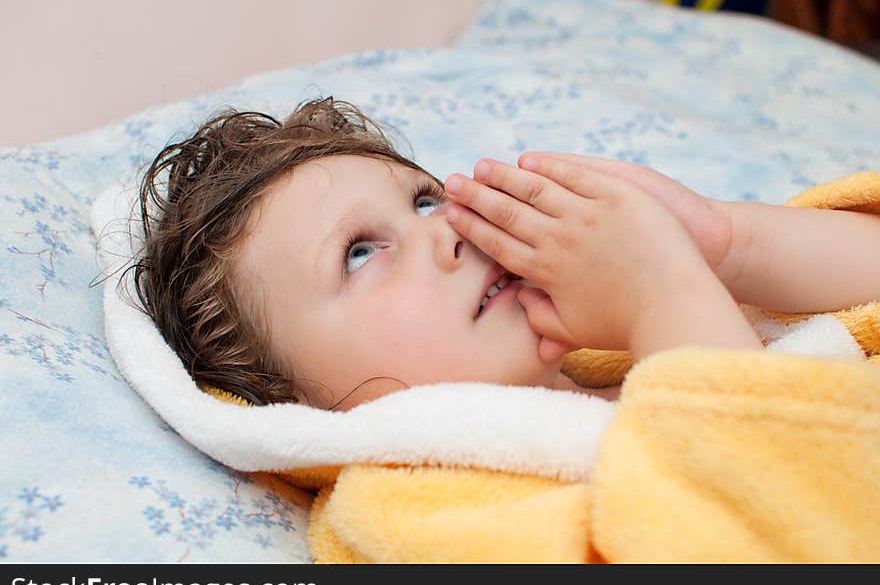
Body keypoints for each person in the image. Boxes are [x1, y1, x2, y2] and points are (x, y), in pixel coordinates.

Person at [126, 96, 880, 411]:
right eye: (359, 253)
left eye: (424, 198)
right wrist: (663, 294)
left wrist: (725, 244)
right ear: (294, 409)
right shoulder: (438, 514)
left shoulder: (607, 359)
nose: (449, 228)